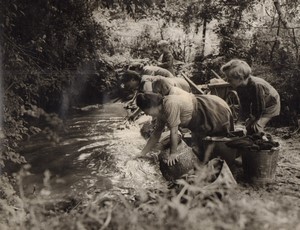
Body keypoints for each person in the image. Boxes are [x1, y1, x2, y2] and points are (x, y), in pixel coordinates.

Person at [135, 92, 234, 166]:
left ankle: (228, 163)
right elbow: (156, 134)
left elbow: (174, 131)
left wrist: (173, 153)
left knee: (218, 138)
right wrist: (142, 153)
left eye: (146, 111)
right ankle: (208, 166)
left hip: (209, 109)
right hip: (196, 119)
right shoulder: (161, 113)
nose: (146, 114)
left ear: (152, 105)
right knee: (202, 146)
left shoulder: (170, 104)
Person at [221, 59, 280, 134]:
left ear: (240, 78)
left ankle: (263, 142)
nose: (227, 81)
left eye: (230, 80)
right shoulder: (240, 87)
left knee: (256, 127)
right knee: (248, 127)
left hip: (271, 104)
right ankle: (256, 138)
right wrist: (243, 120)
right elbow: (244, 105)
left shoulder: (256, 85)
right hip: (261, 104)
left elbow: (259, 106)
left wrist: (253, 119)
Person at [121, 70, 190, 120]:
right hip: (176, 83)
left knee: (181, 109)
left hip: (179, 86)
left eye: (129, 85)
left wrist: (153, 120)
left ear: (133, 80)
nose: (129, 87)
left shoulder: (145, 83)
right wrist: (134, 115)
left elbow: (150, 102)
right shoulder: (141, 82)